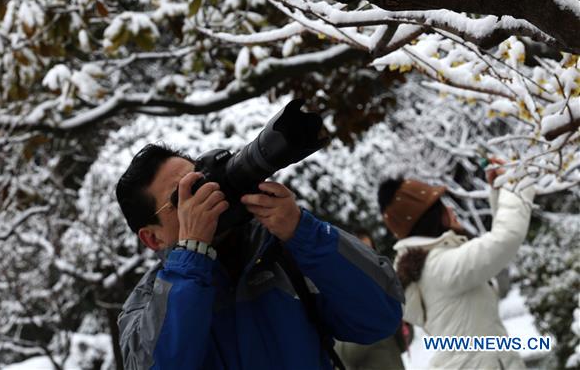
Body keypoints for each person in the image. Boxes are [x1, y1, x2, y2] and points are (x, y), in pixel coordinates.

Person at [115, 143, 404, 369]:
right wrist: (192, 256)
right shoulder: (144, 307)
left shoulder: (285, 253)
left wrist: (303, 231)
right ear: (152, 238)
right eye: (180, 198)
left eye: (198, 182)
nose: (202, 197)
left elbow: (380, 318)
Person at [378, 162, 534, 369]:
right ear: (431, 217)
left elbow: (493, 253)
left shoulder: (428, 267)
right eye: (442, 205)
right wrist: (516, 184)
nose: (451, 208)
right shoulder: (439, 267)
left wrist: (499, 190)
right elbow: (505, 239)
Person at [334, 229, 409, 370]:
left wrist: (402, 324)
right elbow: (343, 354)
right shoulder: (338, 294)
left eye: (370, 250)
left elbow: (403, 345)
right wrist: (376, 322)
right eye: (361, 251)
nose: (368, 257)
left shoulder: (383, 289)